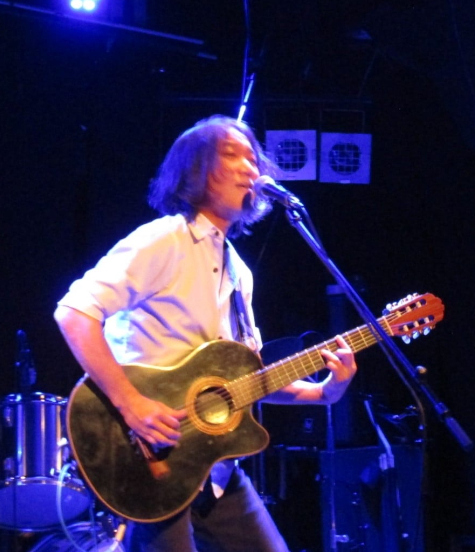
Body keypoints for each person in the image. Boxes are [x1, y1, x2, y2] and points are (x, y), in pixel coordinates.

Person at [53, 115, 357, 551]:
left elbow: (249, 382)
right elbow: (74, 312)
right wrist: (131, 403)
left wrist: (325, 391)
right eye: (232, 155)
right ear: (194, 170)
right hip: (149, 456)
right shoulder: (164, 240)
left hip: (214, 467)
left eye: (253, 159)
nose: (249, 168)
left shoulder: (239, 272)